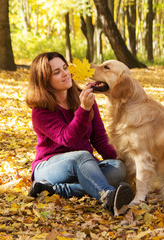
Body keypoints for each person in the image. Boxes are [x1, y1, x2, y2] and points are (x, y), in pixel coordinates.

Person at [25, 52, 134, 216]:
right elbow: (67, 138)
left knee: (118, 169)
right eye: (57, 72)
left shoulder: (83, 98)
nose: (65, 74)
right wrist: (83, 110)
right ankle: (108, 196)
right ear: (44, 80)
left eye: (65, 68)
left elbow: (99, 138)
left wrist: (117, 158)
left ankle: (54, 190)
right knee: (81, 156)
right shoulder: (40, 111)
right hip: (50, 167)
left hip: (85, 166)